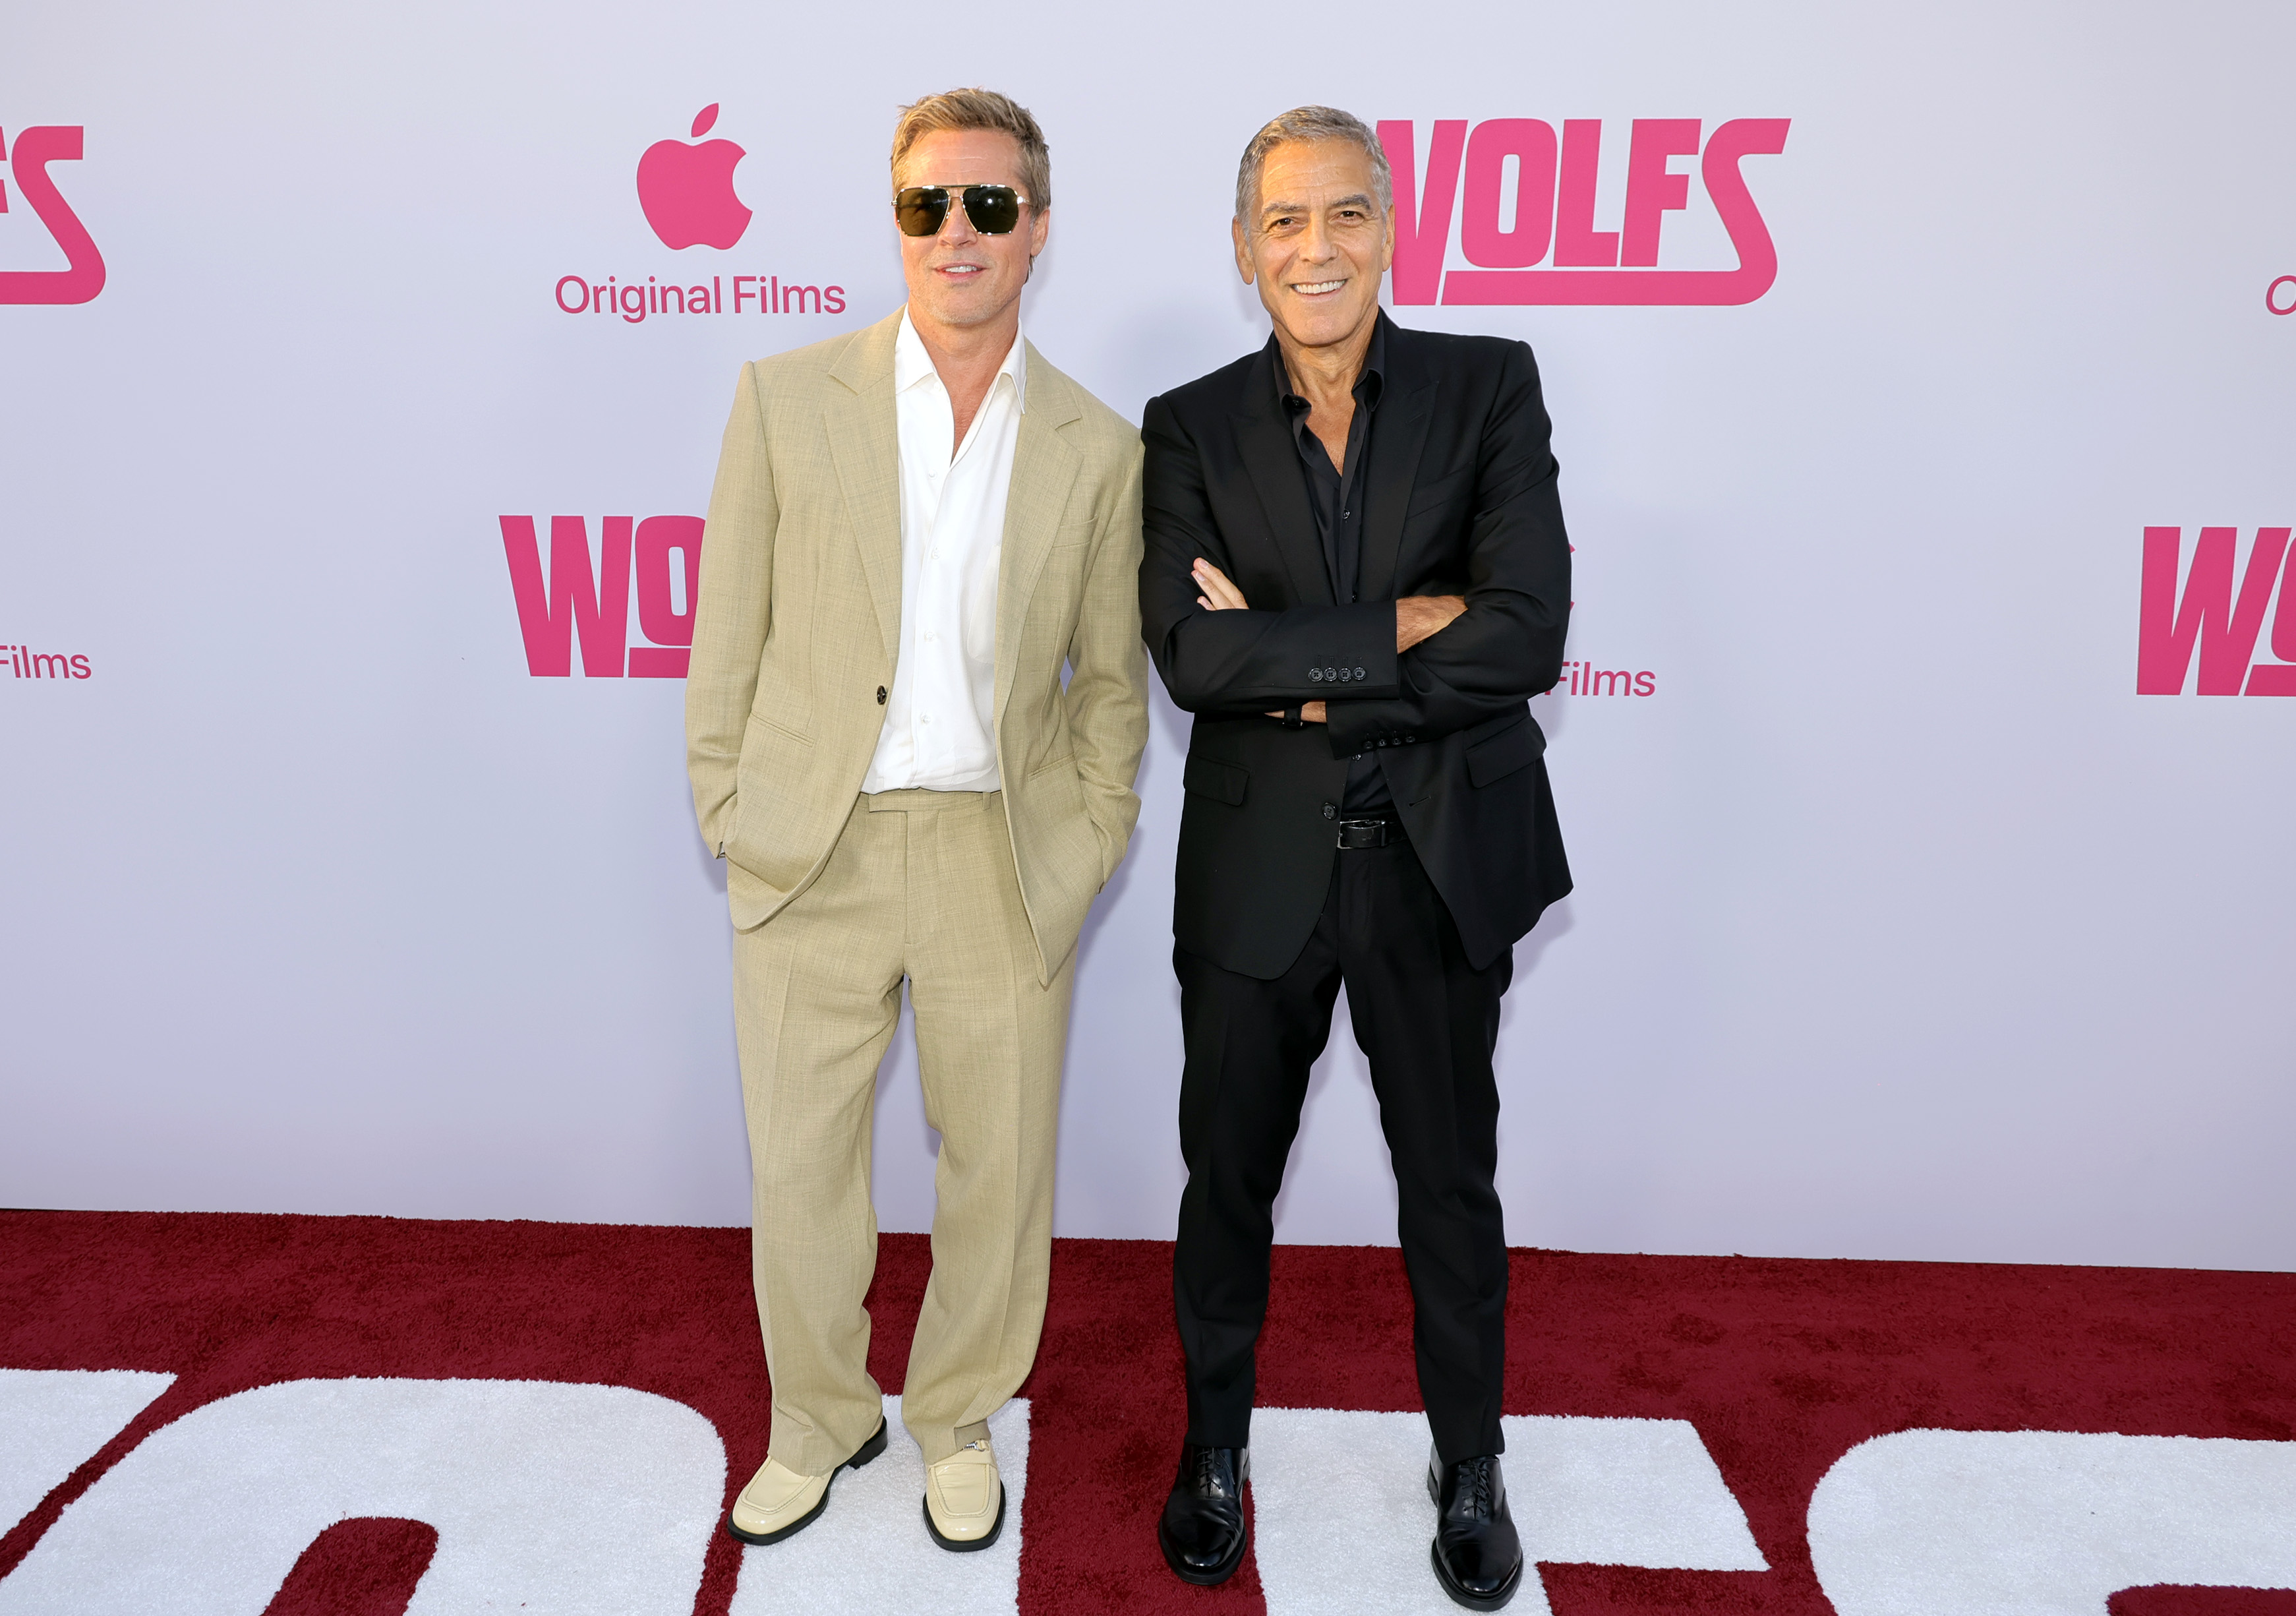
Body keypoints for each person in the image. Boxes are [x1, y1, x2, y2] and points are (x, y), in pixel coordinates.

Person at [685, 86, 1150, 1553]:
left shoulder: (1099, 445)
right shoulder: (781, 395)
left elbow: (1107, 687)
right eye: (926, 205)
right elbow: (727, 642)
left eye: (988, 205)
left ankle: (953, 1412)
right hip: (809, 847)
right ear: (897, 220)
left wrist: (1081, 847)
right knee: (797, 1165)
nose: (956, 232)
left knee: (997, 1171)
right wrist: (731, 810)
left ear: (1037, 228)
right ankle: (818, 1415)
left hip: (993, 857)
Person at [1137, 105, 1573, 1610]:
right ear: (1243, 246)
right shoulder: (1185, 422)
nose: (1310, 248)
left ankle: (1468, 1463)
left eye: (1339, 215)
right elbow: (1193, 656)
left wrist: (1297, 664)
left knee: (1449, 1183)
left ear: (1388, 226)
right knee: (1223, 1184)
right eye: (1280, 220)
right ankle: (1210, 1450)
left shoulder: (1487, 385)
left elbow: (1525, 631)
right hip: (1259, 872)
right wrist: (1398, 624)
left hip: (1437, 860)